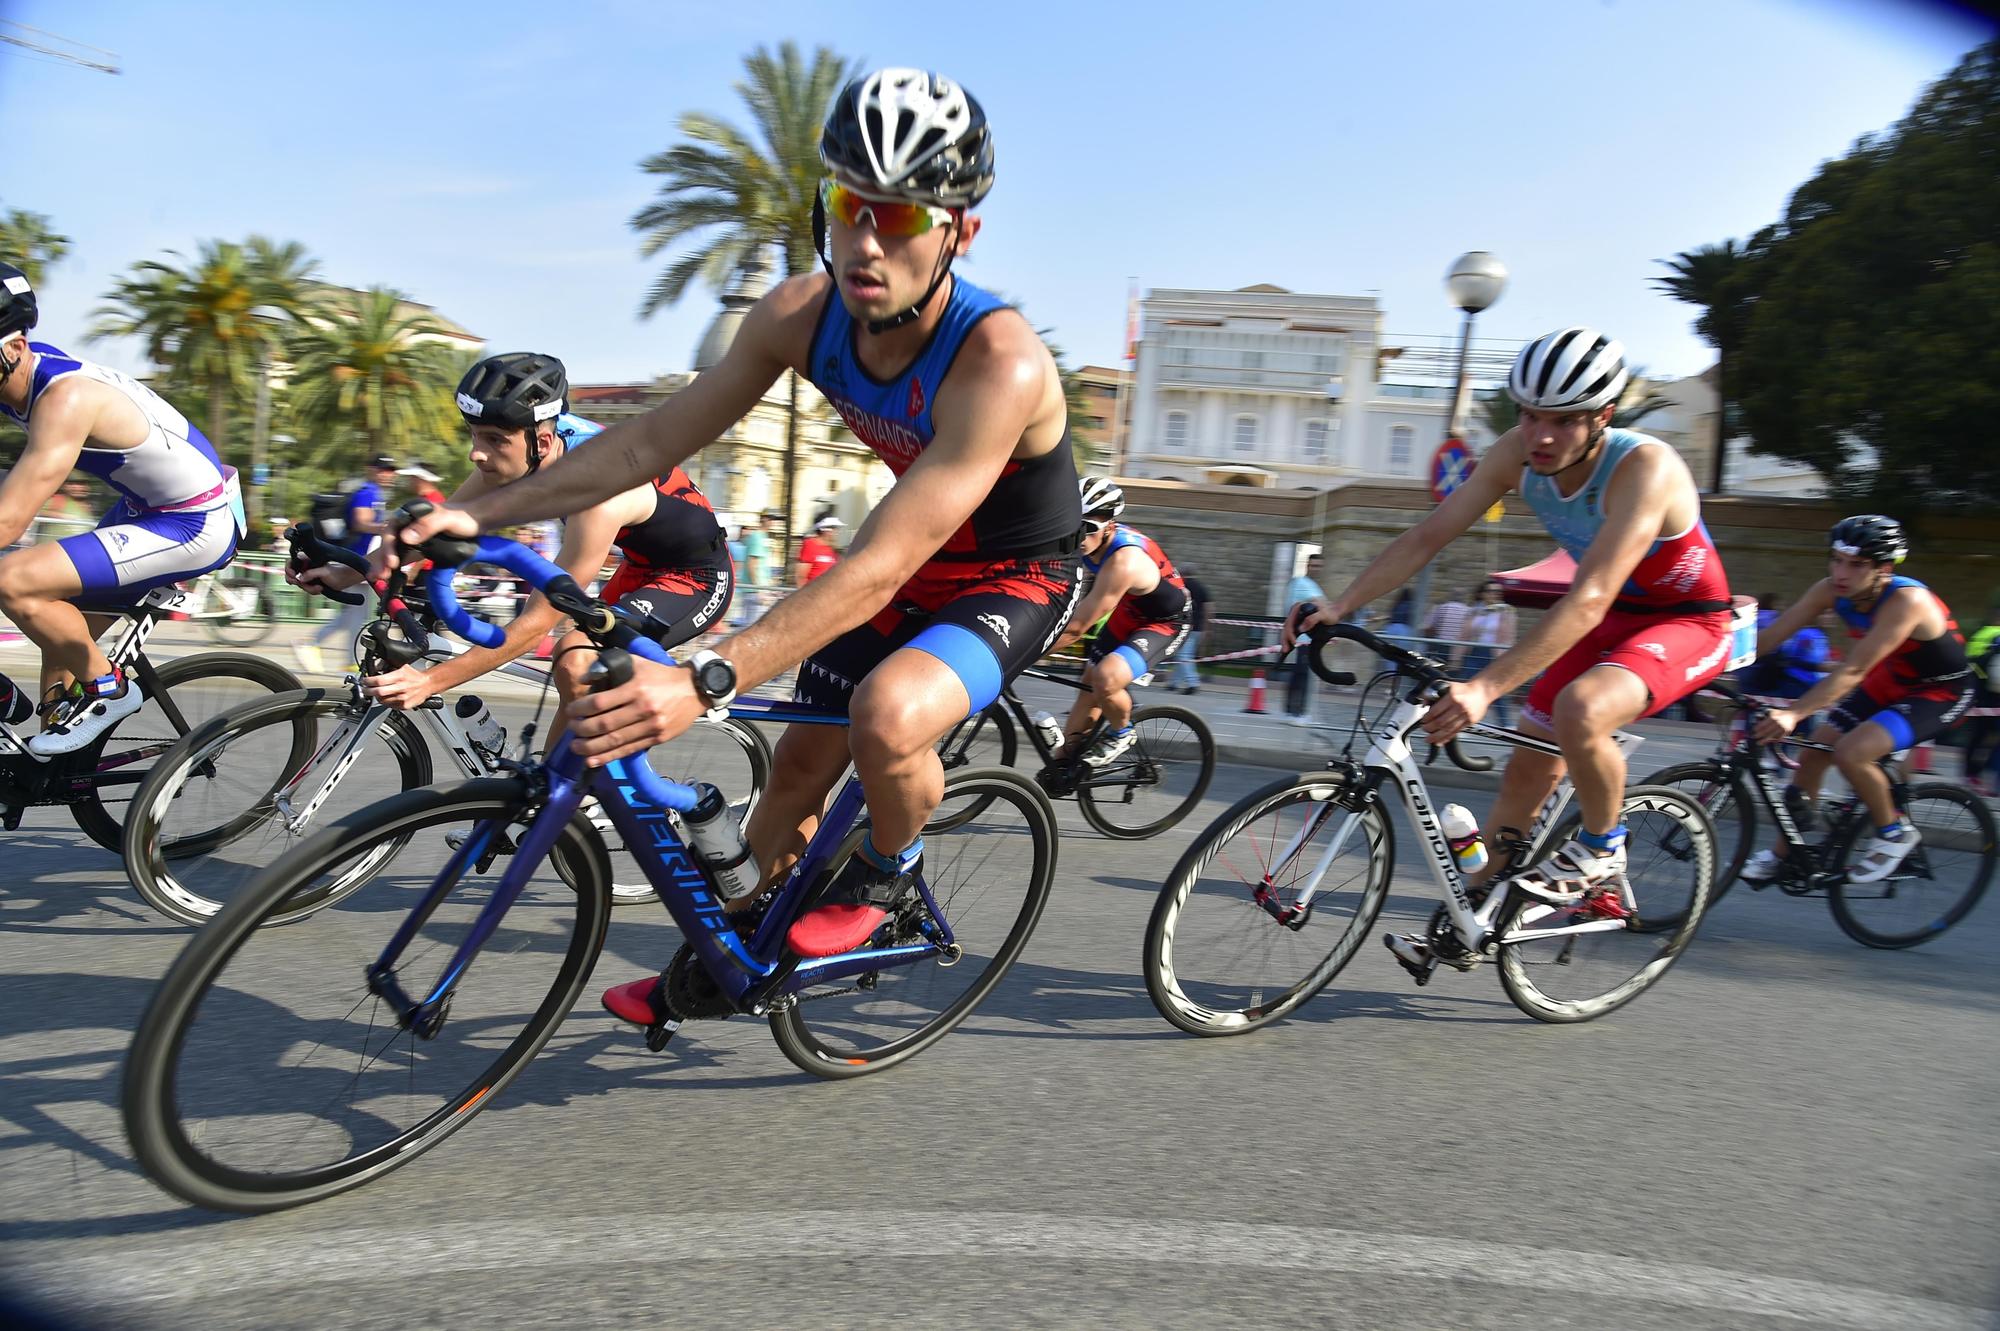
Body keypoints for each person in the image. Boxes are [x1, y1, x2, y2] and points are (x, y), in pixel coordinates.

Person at [395, 68, 1083, 1025]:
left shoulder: (997, 360)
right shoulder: (799, 314)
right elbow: (644, 444)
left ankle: (889, 873)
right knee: (796, 771)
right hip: (911, 563)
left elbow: (880, 561)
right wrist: (478, 514)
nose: (866, 241)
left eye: (900, 216)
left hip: (1013, 575)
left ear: (959, 231)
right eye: (849, 204)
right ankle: (733, 957)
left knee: (887, 716)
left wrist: (710, 674)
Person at [1285, 326, 1736, 963]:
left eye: (1564, 421)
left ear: (1602, 417)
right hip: (1606, 616)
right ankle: (1474, 916)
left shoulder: (1645, 468)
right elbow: (1428, 536)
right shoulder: (1514, 452)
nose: (1541, 436)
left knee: (1582, 711)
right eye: (1529, 416)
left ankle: (1605, 848)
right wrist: (1340, 604)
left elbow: (1589, 597)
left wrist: (1485, 686)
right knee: (1528, 766)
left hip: (1686, 620)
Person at [290, 352, 731, 726]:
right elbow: (439, 523)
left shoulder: (600, 494)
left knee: (576, 658)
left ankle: (591, 803)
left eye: (494, 440)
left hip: (694, 578)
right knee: (575, 691)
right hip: (639, 565)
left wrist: (429, 682)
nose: (475, 452)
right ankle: (559, 809)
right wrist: (342, 572)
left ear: (542, 439)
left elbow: (537, 622)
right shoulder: (529, 445)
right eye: (474, 434)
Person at [0, 261, 244, 754]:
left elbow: (10, 518)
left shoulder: (64, 399)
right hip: (144, 508)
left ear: (16, 347)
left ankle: (109, 689)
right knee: (59, 629)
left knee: (12, 581)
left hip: (194, 521)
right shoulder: (14, 375)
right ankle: (42, 763)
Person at [1740, 516, 1975, 884]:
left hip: (1939, 690)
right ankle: (1786, 854)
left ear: (1884, 569)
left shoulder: (1907, 600)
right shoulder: (1830, 589)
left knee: (1852, 752)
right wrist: (1705, 662)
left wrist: (1795, 712)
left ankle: (1895, 834)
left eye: (1856, 564)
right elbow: (1772, 636)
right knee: (1814, 752)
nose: (1841, 572)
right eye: (1836, 559)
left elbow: (1852, 670)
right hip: (1891, 679)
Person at [1045, 478, 1188, 767]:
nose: (1079, 535)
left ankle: (1122, 732)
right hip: (1129, 611)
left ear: (1109, 527)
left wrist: (1022, 653)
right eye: (1073, 525)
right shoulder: (1079, 541)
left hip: (1164, 621)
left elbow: (1077, 627)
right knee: (1088, 687)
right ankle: (1066, 763)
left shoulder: (1125, 561)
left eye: (1089, 528)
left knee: (1106, 678)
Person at [295, 454, 400, 673]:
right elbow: (361, 522)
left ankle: (341, 655)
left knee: (355, 612)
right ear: (371, 469)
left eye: (391, 470)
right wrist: (387, 527)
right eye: (383, 469)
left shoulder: (374, 493)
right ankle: (315, 644)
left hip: (359, 558)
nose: (388, 474)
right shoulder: (367, 492)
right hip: (356, 558)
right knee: (356, 611)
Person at [1738, 591, 1829, 702]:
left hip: (1745, 670)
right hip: (1772, 676)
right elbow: (1785, 648)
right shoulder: (1774, 620)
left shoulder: (1752, 618)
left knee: (1747, 704)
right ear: (1774, 604)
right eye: (1780, 605)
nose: (1782, 608)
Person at [1454, 579, 1518, 727]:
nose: (1495, 594)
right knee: (1467, 689)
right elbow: (1463, 636)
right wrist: (1455, 658)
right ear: (1482, 594)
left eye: (1498, 592)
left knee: (1496, 689)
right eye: (1491, 591)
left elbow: (1509, 637)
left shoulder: (1505, 611)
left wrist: (1507, 659)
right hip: (1473, 652)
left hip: (1494, 654)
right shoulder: (1473, 611)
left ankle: (1505, 724)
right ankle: (1462, 724)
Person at [1283, 554, 1327, 725]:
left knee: (1299, 674)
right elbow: (1322, 604)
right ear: (1307, 565)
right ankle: (1296, 713)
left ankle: (1291, 711)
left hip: (1304, 636)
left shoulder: (1307, 584)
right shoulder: (1303, 584)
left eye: (1319, 566)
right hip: (1303, 636)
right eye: (1313, 565)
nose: (1316, 569)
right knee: (1302, 675)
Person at [1965, 592, 2000, 796]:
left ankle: (1971, 774)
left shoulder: (1979, 635)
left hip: (1977, 691)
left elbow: (1970, 662)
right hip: (1993, 694)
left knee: (1978, 736)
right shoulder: (1996, 636)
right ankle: (1990, 778)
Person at [1171, 572, 1211, 694]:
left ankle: (1193, 683)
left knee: (1183, 655)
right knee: (1183, 655)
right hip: (1198, 627)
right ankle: (1174, 682)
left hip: (1186, 626)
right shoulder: (1202, 587)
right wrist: (1207, 627)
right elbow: (1209, 608)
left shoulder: (1181, 586)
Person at [795, 514, 843, 585]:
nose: (835, 531)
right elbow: (801, 577)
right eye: (832, 527)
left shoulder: (833, 550)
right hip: (812, 594)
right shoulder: (810, 544)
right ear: (823, 529)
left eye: (835, 528)